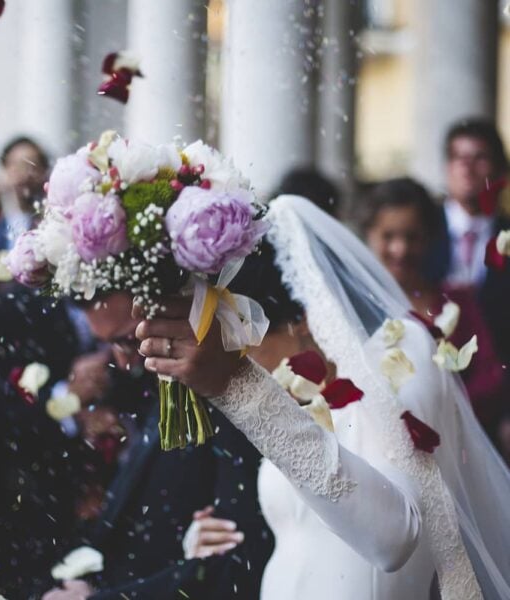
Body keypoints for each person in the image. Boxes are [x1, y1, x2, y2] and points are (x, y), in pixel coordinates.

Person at [137, 195, 510, 599]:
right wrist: (206, 540)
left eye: (243, 349)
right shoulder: (306, 407)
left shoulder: (401, 353)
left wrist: (241, 387)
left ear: (299, 322)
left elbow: (393, 537)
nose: (249, 368)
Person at [41, 292, 273, 600]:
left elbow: (237, 560)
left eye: (127, 339)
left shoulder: (228, 388)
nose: (120, 360)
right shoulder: (138, 383)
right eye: (107, 344)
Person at [361, 177, 508, 435]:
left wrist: (438, 409)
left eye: (411, 237)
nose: (400, 248)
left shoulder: (458, 301)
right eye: (388, 236)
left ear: (428, 237)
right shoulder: (354, 305)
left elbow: (491, 377)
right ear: (368, 235)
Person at [428, 118, 510, 364]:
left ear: (500, 170)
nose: (467, 168)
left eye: (479, 158)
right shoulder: (423, 229)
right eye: (457, 157)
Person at [0, 136, 49, 250]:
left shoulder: (53, 226)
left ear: (44, 172)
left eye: (32, 166)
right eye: (17, 166)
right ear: (4, 172)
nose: (25, 175)